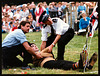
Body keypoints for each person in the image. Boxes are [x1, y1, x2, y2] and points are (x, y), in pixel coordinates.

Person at [31, 43, 97, 71]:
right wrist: (42, 53)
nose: (35, 47)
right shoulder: (32, 55)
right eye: (32, 47)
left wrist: (43, 52)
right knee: (61, 64)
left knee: (65, 62)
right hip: (45, 63)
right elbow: (39, 57)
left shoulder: (41, 52)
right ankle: (79, 65)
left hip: (52, 60)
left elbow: (48, 50)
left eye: (35, 45)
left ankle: (87, 65)